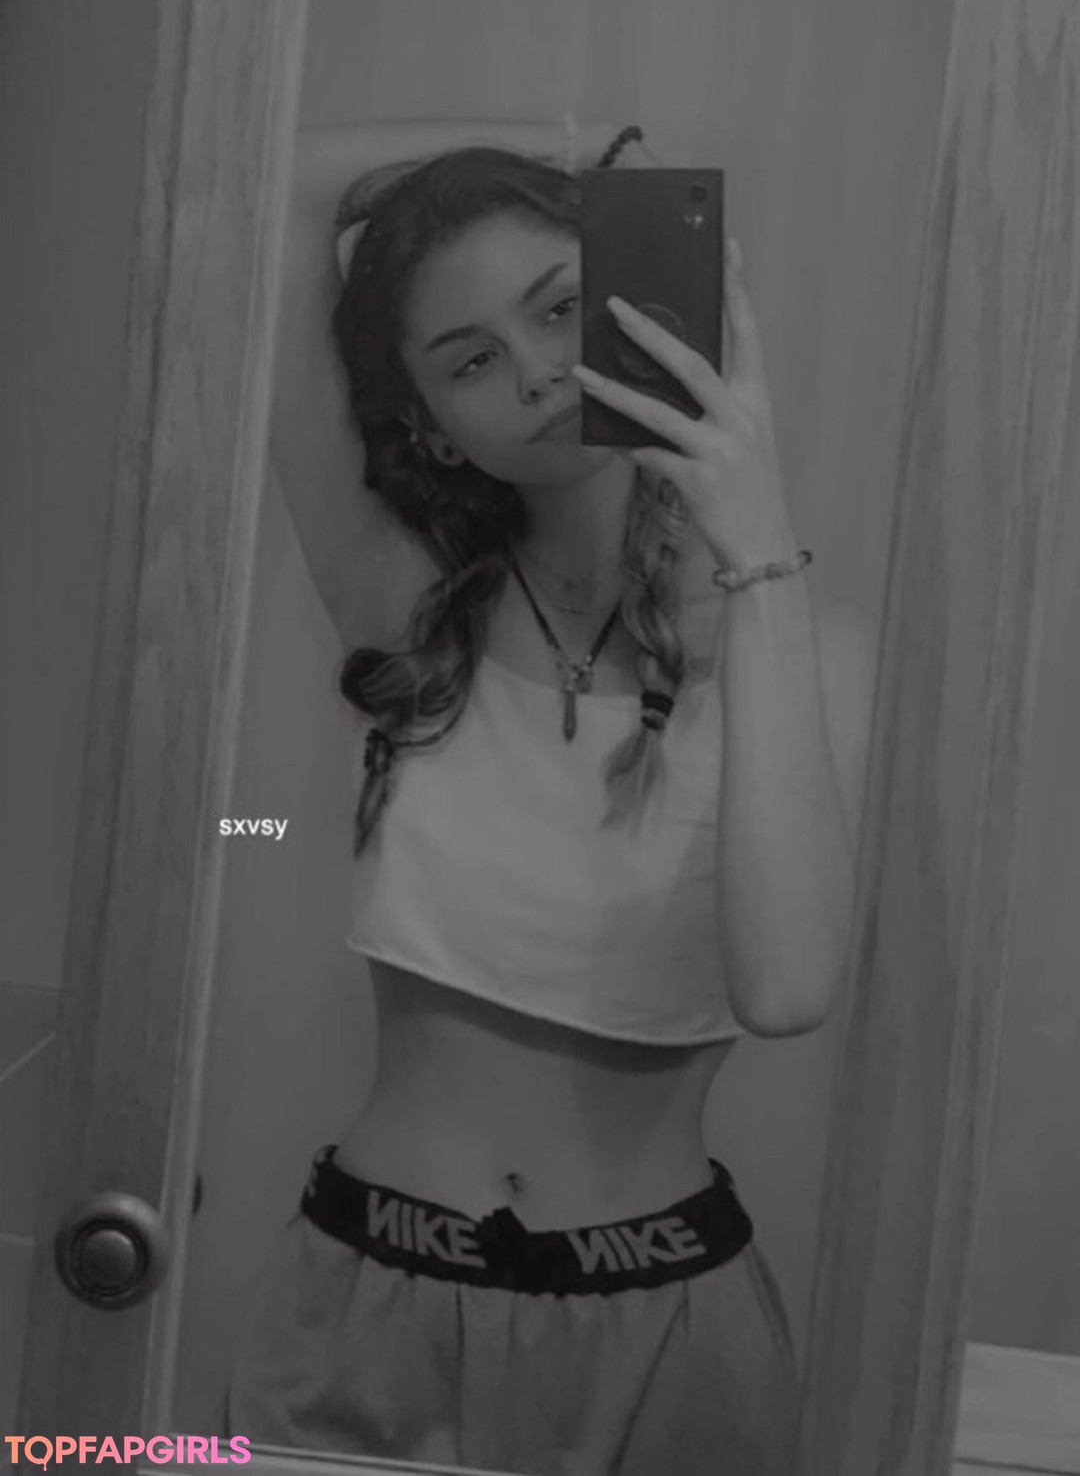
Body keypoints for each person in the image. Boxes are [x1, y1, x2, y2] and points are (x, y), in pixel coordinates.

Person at [226, 125, 878, 1475]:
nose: (534, 372)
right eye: (469, 358)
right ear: (427, 422)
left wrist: (757, 546)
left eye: (565, 308)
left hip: (667, 1333)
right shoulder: (406, 607)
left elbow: (789, 987)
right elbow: (274, 183)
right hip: (368, 1305)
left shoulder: (804, 652)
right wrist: (570, 141)